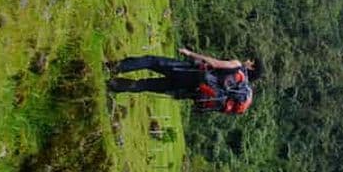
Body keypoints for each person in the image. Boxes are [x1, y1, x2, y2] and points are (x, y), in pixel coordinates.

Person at [106, 48, 261, 114]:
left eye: (250, 61)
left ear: (252, 67)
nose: (247, 60)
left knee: (151, 61)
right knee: (146, 85)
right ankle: (112, 85)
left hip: (190, 73)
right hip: (190, 92)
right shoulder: (240, 92)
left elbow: (214, 63)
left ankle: (113, 68)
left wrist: (189, 53)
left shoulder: (238, 67)